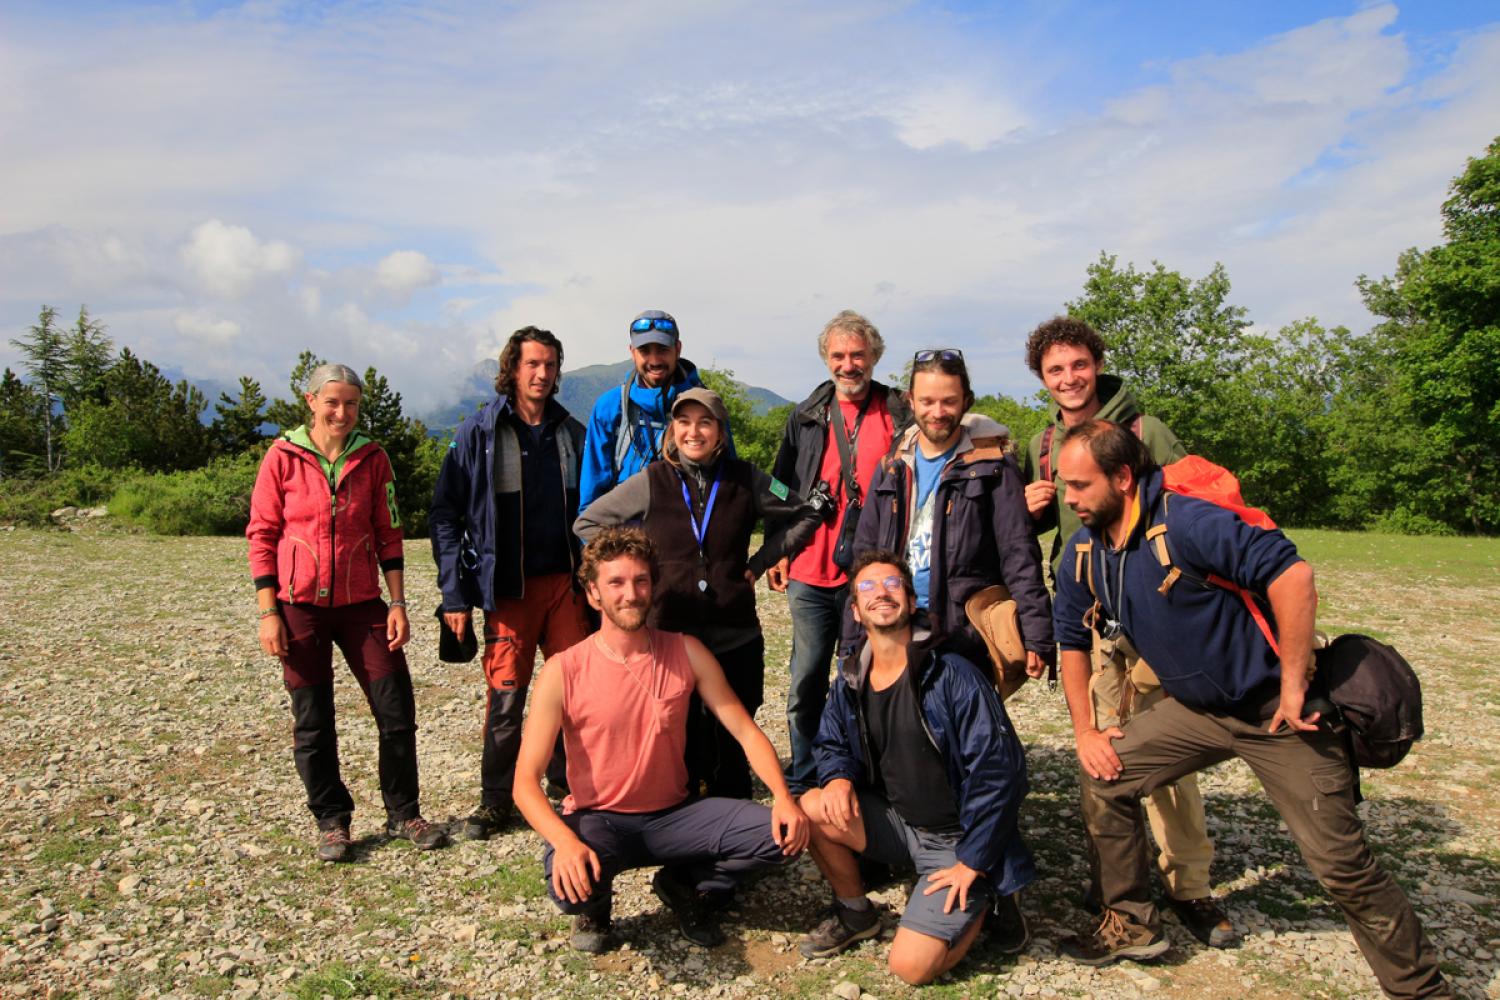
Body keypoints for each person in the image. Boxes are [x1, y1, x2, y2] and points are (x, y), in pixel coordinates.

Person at [1051, 420, 1449, 999]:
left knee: (1341, 865)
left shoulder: (1187, 523)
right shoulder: (1086, 550)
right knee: (1104, 775)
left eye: (1080, 486)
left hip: (1278, 715)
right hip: (1195, 710)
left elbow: (1293, 575)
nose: (1069, 498)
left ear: (1122, 477)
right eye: (1066, 485)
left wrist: (1293, 684)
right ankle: (1131, 924)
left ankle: (1422, 990)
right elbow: (1069, 639)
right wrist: (1087, 731)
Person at [1019, 316, 1231, 949]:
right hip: (1091, 617)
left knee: (1169, 758)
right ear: (1042, 379)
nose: (1069, 378)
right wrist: (1030, 515)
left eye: (1078, 365)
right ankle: (1120, 882)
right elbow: (1056, 528)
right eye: (1055, 370)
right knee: (1105, 750)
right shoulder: (1042, 444)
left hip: (1157, 614)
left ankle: (1190, 886)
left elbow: (1192, 513)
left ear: (1097, 364)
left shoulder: (1145, 432)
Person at [512, 527, 810, 954]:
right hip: (602, 819)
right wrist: (565, 842)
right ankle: (595, 907)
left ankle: (683, 882)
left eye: (640, 581)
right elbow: (525, 781)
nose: (630, 594)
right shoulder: (563, 670)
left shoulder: (685, 650)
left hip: (675, 814)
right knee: (568, 888)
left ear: (653, 586)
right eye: (615, 583)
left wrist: (782, 795)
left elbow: (745, 731)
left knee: (784, 836)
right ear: (593, 594)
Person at [799, 552, 1034, 984]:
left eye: (892, 584)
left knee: (910, 968)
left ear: (910, 601)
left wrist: (973, 860)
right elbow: (830, 740)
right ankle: (855, 913)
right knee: (811, 807)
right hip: (900, 825)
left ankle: (987, 897)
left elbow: (1001, 773)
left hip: (957, 840)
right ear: (854, 610)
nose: (881, 593)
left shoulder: (953, 674)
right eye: (867, 587)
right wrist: (836, 777)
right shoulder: (851, 676)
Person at [575, 387, 820, 799]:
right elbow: (588, 522)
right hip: (672, 631)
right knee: (678, 727)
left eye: (705, 422)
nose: (694, 431)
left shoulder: (749, 478)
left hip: (734, 630)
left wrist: (760, 563)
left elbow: (805, 513)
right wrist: (641, 567)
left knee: (735, 724)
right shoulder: (652, 480)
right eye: (684, 422)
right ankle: (682, 813)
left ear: (720, 431)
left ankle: (736, 814)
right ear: (673, 430)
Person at [247, 363, 447, 861]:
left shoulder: (374, 458)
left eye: (351, 403)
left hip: (364, 606)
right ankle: (331, 820)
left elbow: (389, 532)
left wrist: (397, 603)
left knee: (396, 709)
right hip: (298, 607)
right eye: (332, 402)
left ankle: (404, 812)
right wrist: (268, 611)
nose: (342, 412)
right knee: (313, 720)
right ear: (311, 401)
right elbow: (262, 535)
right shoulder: (283, 456)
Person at [430, 326, 591, 840]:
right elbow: (444, 515)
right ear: (512, 369)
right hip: (508, 591)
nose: (542, 374)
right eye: (532, 365)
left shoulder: (572, 433)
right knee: (506, 696)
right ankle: (497, 800)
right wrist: (454, 593)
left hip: (567, 584)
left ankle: (572, 790)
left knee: (575, 693)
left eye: (550, 365)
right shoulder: (478, 432)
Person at [768, 309, 912, 793]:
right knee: (806, 679)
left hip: (873, 572)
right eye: (839, 356)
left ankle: (865, 774)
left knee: (868, 676)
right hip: (810, 566)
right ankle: (807, 775)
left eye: (858, 355)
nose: (848, 365)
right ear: (825, 359)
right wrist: (778, 547)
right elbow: (779, 484)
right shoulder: (805, 415)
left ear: (874, 357)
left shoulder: (900, 412)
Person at [849, 348, 1052, 681]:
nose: (937, 412)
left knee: (966, 727)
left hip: (964, 633)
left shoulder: (993, 466)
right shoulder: (891, 466)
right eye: (927, 401)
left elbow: (1019, 552)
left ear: (967, 401)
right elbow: (864, 558)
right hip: (894, 624)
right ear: (910, 400)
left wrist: (1036, 633)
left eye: (949, 401)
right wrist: (851, 639)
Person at [578, 309, 730, 512]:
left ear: (678, 349)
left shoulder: (707, 405)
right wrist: (594, 543)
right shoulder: (610, 407)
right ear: (632, 352)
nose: (655, 360)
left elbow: (730, 479)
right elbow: (591, 496)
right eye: (645, 351)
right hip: (628, 537)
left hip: (692, 535)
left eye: (662, 349)